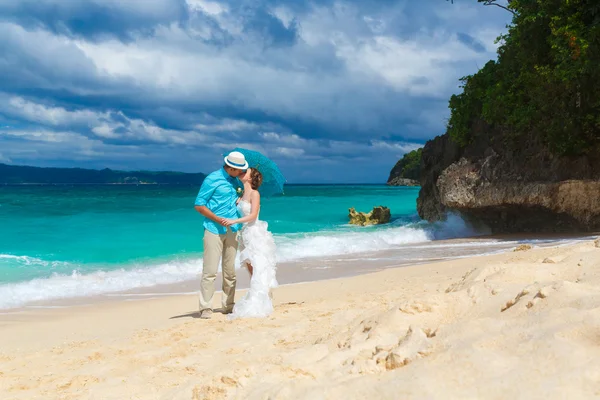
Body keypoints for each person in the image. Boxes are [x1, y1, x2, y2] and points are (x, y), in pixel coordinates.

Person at [194, 151, 248, 319]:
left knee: (230, 271)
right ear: (231, 168)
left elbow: (237, 202)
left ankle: (228, 305)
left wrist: (240, 201)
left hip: (233, 230)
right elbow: (199, 205)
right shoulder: (212, 179)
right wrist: (217, 219)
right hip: (213, 229)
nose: (242, 173)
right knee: (209, 271)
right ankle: (206, 308)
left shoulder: (237, 183)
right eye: (239, 170)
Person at [221, 168, 278, 319]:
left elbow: (252, 216)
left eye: (246, 171)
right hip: (245, 234)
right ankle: (260, 297)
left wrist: (235, 220)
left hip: (254, 233)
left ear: (250, 177)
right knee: (250, 267)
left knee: (258, 266)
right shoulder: (242, 194)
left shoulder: (255, 193)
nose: (242, 172)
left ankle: (259, 301)